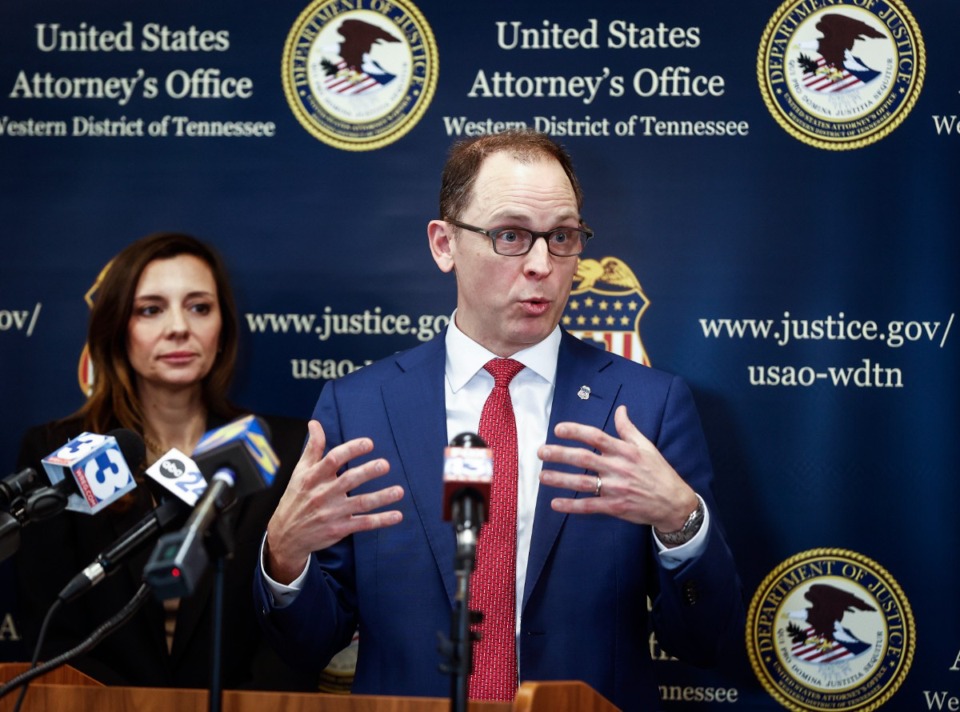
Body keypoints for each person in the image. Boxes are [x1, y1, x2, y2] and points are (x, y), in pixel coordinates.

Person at [255, 131, 745, 711]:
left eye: (561, 237)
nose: (541, 264)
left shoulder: (645, 408)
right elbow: (308, 643)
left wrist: (682, 523)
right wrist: (284, 559)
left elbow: (704, 641)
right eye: (511, 235)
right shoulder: (360, 407)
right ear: (444, 244)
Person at [14, 232, 315, 690]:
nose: (179, 327)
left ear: (223, 330)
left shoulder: (283, 450)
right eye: (151, 309)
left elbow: (297, 630)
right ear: (118, 328)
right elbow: (50, 628)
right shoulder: (58, 450)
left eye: (199, 307)